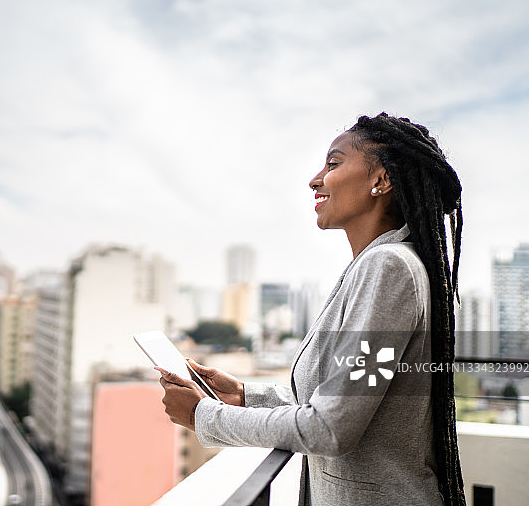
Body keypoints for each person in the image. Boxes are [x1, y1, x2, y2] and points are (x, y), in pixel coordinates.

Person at [157, 113, 466, 506]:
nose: (315, 179)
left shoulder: (389, 269)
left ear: (382, 180)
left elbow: (331, 427)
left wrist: (204, 417)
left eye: (334, 163)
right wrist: (244, 395)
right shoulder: (374, 266)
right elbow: (342, 398)